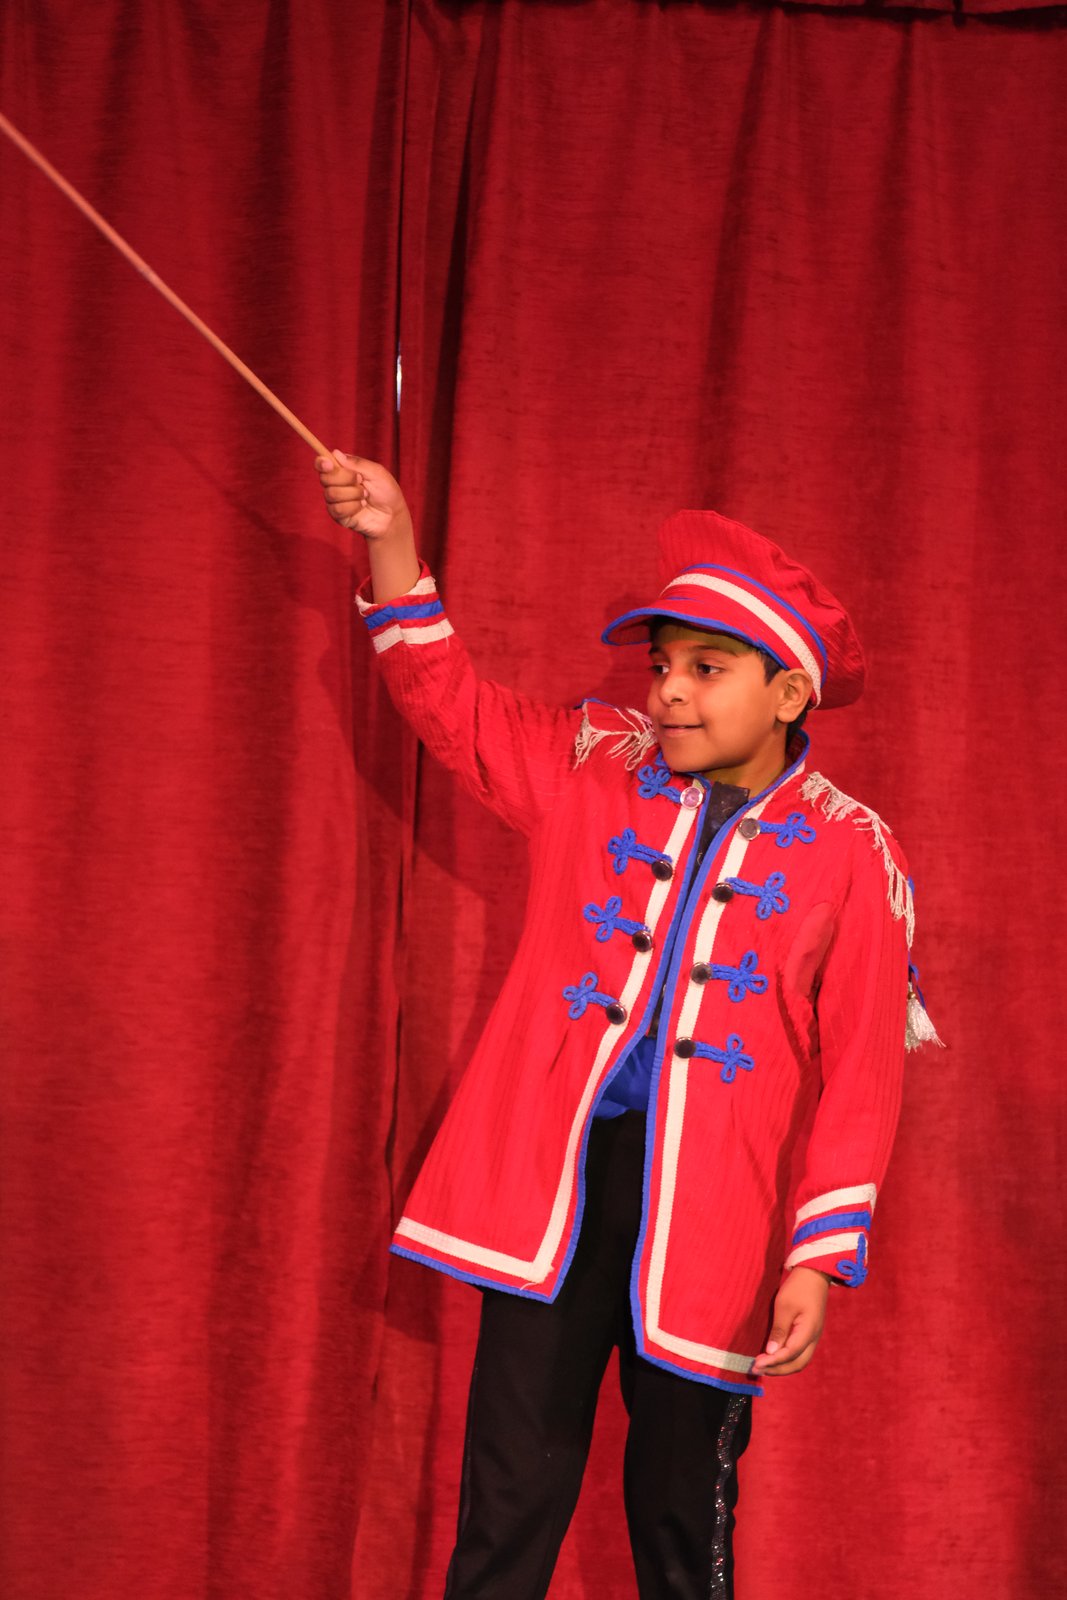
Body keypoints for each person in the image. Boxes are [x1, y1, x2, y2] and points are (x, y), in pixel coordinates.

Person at [316, 450, 939, 1600]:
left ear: (788, 693)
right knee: (506, 1499)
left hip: (717, 1215)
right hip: (558, 1190)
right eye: (661, 665)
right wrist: (392, 540)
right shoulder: (591, 765)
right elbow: (448, 703)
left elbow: (863, 1073)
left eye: (705, 668)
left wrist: (815, 1258)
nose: (667, 693)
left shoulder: (854, 853)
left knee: (679, 1516)